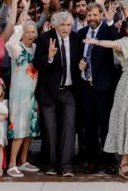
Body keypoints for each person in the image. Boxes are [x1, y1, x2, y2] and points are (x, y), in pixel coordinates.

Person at [85, 14, 128, 179]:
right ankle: (124, 162)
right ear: (126, 30)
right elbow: (111, 44)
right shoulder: (124, 42)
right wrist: (98, 42)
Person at [33, 10, 83, 176]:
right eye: (62, 24)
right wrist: (48, 57)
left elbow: (81, 60)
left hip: (69, 92)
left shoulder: (76, 39)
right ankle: (52, 164)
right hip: (48, 92)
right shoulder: (45, 38)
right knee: (50, 128)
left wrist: (83, 64)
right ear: (55, 24)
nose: (66, 28)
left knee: (69, 126)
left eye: (69, 24)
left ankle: (66, 165)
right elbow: (36, 63)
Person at [77, 1, 119, 174]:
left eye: (95, 14)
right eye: (89, 15)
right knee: (89, 126)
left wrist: (111, 22)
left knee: (106, 125)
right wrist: (79, 65)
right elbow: (77, 56)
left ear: (101, 15)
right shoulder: (80, 33)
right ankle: (92, 161)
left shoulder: (108, 31)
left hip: (103, 88)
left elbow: (117, 45)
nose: (92, 18)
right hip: (86, 87)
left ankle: (109, 160)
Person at [5, 18, 40, 177]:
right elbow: (10, 43)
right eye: (28, 32)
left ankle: (23, 161)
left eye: (33, 31)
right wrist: (20, 26)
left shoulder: (36, 48)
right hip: (19, 94)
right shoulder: (17, 48)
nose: (30, 34)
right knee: (18, 129)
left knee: (30, 129)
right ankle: (12, 163)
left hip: (32, 94)